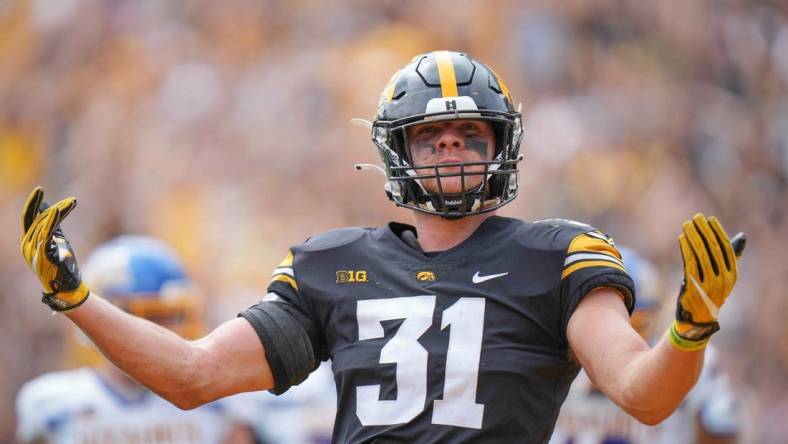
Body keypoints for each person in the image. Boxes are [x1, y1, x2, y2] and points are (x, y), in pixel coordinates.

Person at [19, 51, 743, 443]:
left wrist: (688, 329)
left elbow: (644, 398)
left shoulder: (557, 254)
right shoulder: (330, 266)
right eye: (431, 136)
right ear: (398, 153)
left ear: (504, 147)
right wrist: (77, 300)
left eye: (471, 135)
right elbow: (193, 377)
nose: (452, 149)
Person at [16, 236, 258, 444]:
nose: (169, 332)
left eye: (175, 316)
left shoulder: (221, 403)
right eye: (154, 317)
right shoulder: (53, 405)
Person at [550, 247, 740, 444]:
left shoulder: (694, 358)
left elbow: (720, 430)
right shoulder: (551, 354)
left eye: (636, 323)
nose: (620, 334)